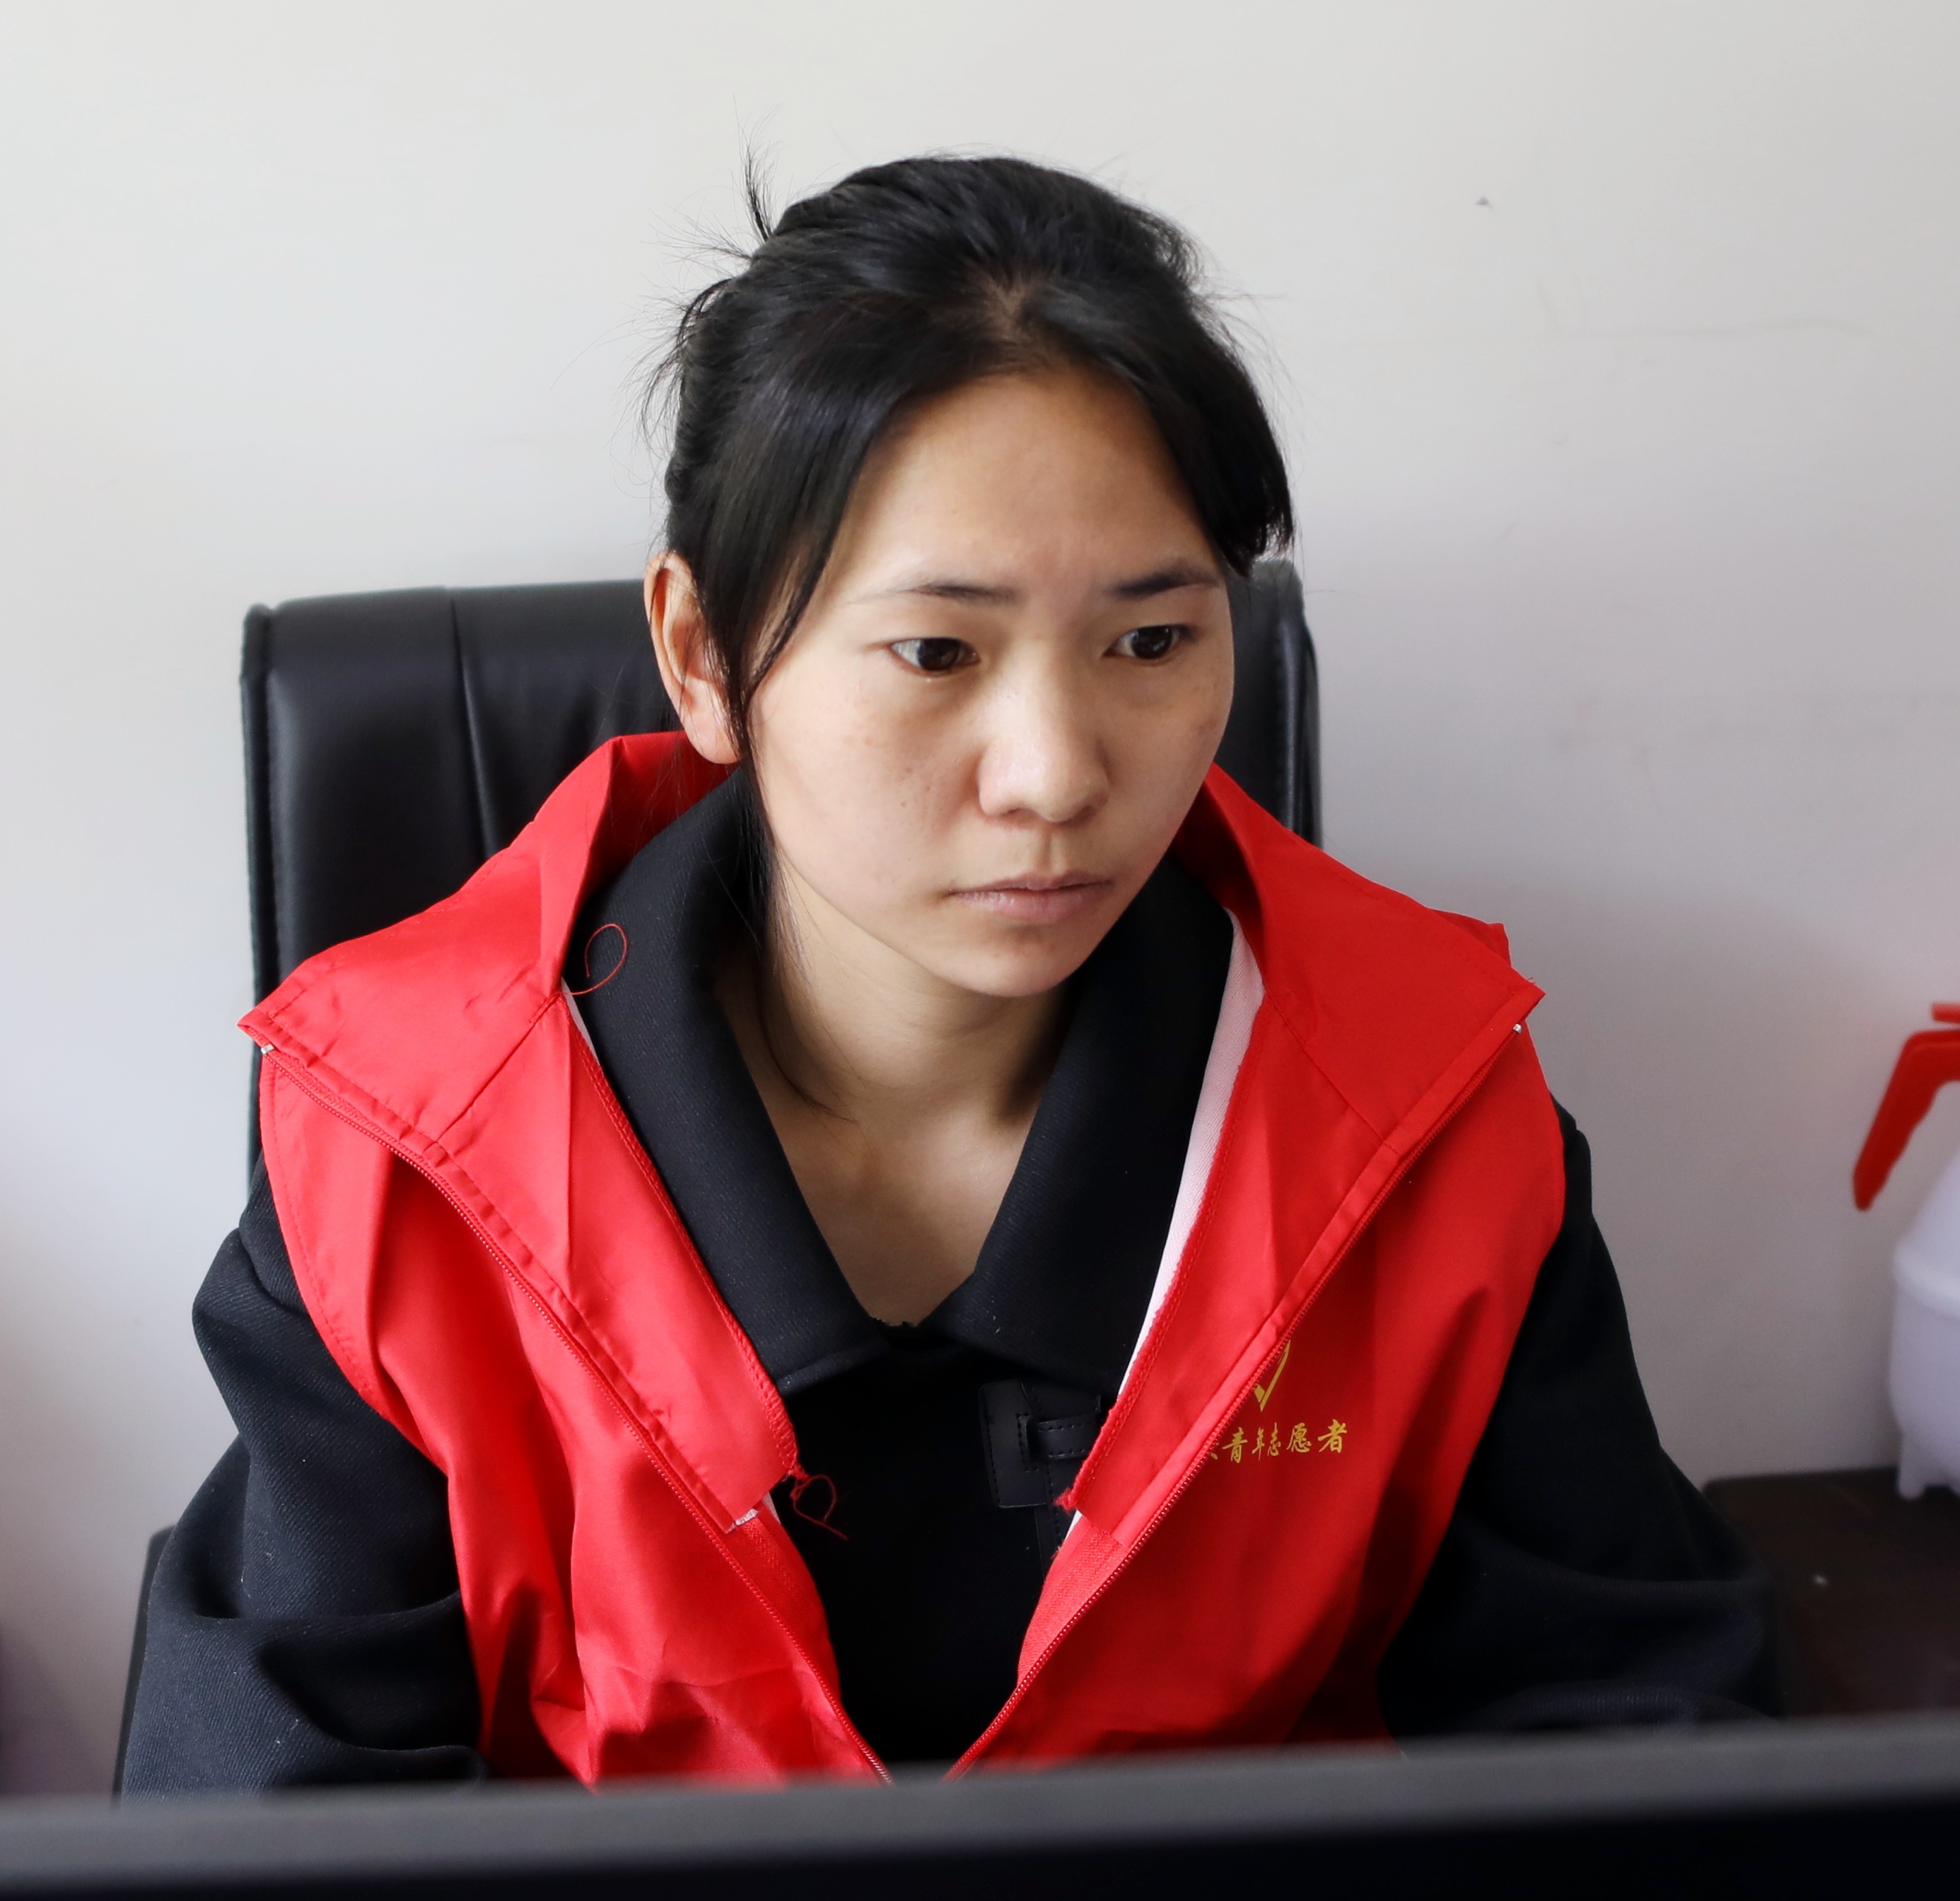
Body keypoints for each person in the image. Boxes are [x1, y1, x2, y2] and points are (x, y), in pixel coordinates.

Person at [123, 156, 1766, 1790]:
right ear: (704, 654)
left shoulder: (1428, 1117)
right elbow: (285, 1850)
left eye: (1151, 641)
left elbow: (1629, 1738)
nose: (1056, 773)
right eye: (935, 650)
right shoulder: (402, 1159)